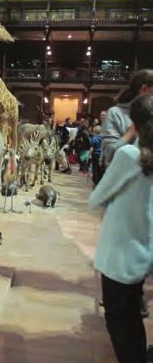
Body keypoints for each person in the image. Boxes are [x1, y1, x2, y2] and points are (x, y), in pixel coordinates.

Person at [89, 94, 153, 363]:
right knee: (131, 320)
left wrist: (127, 137)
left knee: (119, 325)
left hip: (119, 258)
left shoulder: (130, 155)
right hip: (142, 256)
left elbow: (95, 199)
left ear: (132, 122)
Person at [101, 69, 153, 168]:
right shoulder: (116, 113)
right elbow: (109, 153)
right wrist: (134, 128)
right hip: (126, 176)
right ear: (144, 89)